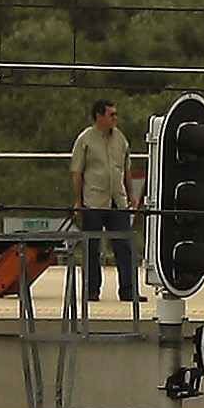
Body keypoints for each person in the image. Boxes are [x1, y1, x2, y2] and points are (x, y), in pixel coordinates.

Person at [68, 97, 138, 303]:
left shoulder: (121, 139)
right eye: (111, 114)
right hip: (94, 200)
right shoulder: (85, 140)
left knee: (124, 246)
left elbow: (126, 169)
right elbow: (77, 172)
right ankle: (91, 290)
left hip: (117, 200)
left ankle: (128, 290)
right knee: (92, 248)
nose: (115, 118)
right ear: (99, 116)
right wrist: (78, 201)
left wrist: (131, 195)